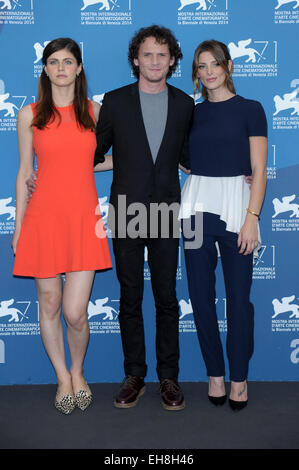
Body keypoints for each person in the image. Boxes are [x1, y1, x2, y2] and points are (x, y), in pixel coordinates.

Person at [94, 25, 194, 410]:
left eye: (162, 55)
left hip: (166, 210)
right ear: (136, 59)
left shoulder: (185, 104)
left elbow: (190, 158)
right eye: (148, 54)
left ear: (172, 61)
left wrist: (239, 171)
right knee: (130, 296)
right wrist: (55, 169)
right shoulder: (115, 101)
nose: (155, 61)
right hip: (127, 211)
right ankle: (134, 374)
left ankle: (169, 377)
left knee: (167, 298)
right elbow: (95, 152)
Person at [12, 38, 112, 414]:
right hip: (43, 219)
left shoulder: (95, 112)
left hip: (84, 220)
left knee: (75, 311)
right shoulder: (30, 115)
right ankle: (63, 378)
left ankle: (79, 369)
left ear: (79, 68)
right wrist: (19, 227)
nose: (61, 68)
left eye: (68, 61)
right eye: (53, 62)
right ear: (45, 68)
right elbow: (25, 173)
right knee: (50, 303)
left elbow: (100, 158)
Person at [179, 40, 267, 411]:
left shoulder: (251, 109)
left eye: (215, 63)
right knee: (200, 296)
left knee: (238, 300)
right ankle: (215, 373)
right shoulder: (191, 113)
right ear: (196, 73)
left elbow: (259, 169)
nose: (209, 71)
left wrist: (252, 217)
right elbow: (182, 159)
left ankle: (239, 377)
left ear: (229, 65)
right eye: (202, 66)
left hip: (237, 208)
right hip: (197, 205)